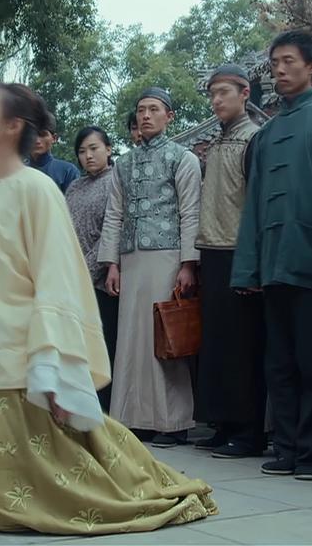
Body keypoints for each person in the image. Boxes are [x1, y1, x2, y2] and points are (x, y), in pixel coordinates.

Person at [0, 80, 216, 534]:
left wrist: (55, 365)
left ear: (12, 125)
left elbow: (57, 280)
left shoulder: (35, 190)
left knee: (31, 485)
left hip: (15, 360)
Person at [231, 30, 312, 480]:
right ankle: (286, 447)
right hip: (274, 266)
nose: (280, 70)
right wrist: (247, 269)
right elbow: (253, 205)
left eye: (288, 61)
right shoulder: (266, 133)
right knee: (280, 364)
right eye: (274, 64)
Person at [99, 87, 202, 448]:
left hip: (168, 257)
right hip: (131, 259)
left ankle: (173, 422)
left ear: (169, 116)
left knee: (163, 338)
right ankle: (134, 418)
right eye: (141, 110)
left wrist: (188, 264)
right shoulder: (123, 163)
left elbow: (190, 212)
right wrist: (111, 264)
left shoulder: (183, 158)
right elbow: (114, 214)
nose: (145, 116)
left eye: (154, 109)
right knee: (132, 340)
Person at [192, 65, 266, 459]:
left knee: (242, 347)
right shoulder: (218, 141)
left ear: (244, 93)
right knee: (218, 345)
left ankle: (249, 431)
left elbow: (256, 203)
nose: (216, 100)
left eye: (223, 92)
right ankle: (223, 424)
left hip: (239, 251)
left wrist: (253, 261)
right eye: (212, 94)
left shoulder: (254, 138)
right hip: (212, 250)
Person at [64, 126, 117, 411]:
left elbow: (112, 230)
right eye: (82, 151)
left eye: (94, 148)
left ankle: (105, 407)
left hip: (101, 280)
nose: (88, 156)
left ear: (108, 149)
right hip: (71, 279)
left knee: (104, 343)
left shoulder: (116, 182)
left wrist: (85, 269)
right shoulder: (74, 186)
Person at [28, 112, 80, 193]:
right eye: (32, 134)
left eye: (43, 135)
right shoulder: (16, 172)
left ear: (54, 138)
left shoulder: (68, 171)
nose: (37, 141)